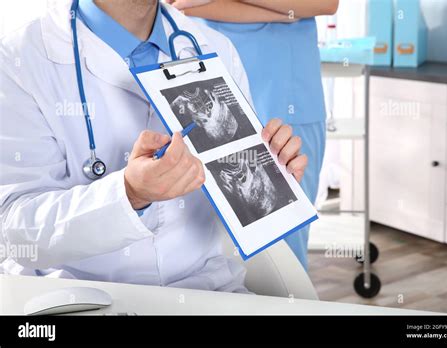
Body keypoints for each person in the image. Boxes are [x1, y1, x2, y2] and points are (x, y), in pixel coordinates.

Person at [0, 0, 308, 291]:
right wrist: (129, 193)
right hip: (78, 295)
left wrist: (272, 174)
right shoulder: (19, 60)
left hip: (208, 290)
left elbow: (240, 195)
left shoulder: (213, 48)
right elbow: (14, 229)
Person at [167, 0, 338, 270]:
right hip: (214, 89)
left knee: (285, 259)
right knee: (206, 248)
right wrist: (285, 12)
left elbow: (325, 3)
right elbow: (182, 6)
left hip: (288, 96)